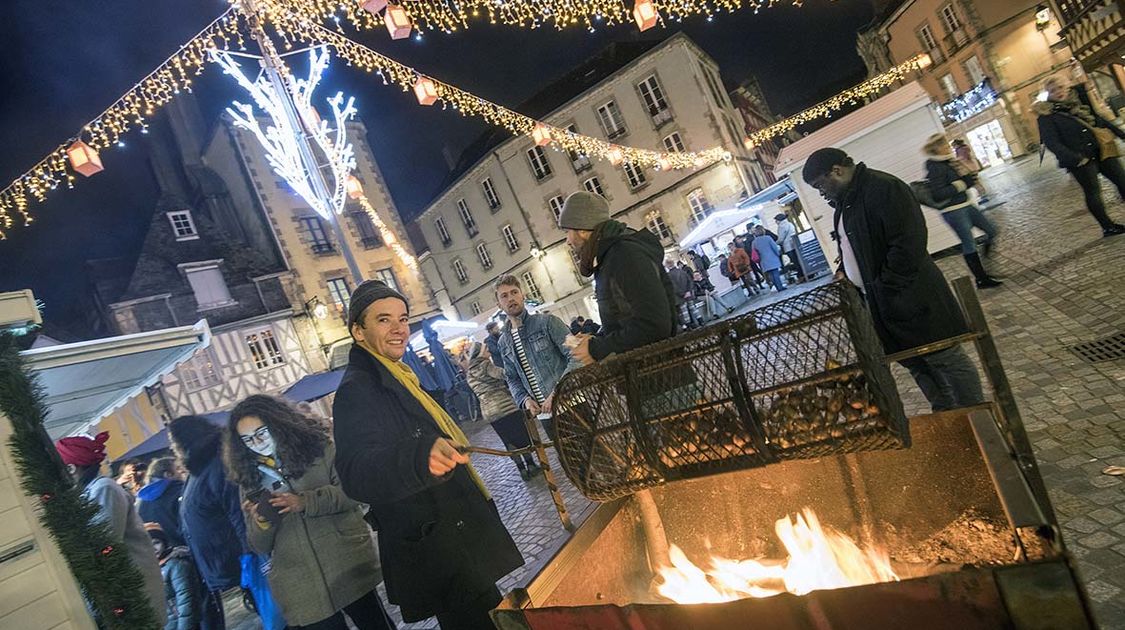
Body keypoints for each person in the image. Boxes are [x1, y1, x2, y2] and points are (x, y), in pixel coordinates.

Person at [332, 280, 524, 630]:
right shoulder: (358, 389)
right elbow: (354, 473)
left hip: (453, 531)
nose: (398, 329)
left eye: (403, 319)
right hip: (435, 541)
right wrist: (418, 457)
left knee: (492, 617)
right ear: (358, 331)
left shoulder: (400, 375)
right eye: (383, 320)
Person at [802, 147, 985, 411]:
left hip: (912, 296)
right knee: (916, 363)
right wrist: (844, 270)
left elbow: (908, 242)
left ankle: (978, 415)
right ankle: (948, 415)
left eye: (820, 185)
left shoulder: (884, 188)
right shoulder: (846, 202)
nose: (821, 193)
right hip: (883, 303)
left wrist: (885, 285)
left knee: (945, 357)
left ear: (837, 171)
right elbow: (852, 243)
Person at [222, 395, 394, 630]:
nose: (257, 443)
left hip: (346, 562)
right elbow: (259, 545)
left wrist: (305, 502)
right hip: (300, 584)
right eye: (248, 440)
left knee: (375, 623)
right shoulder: (249, 479)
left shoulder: (319, 448)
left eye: (261, 433)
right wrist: (261, 522)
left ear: (277, 423)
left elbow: (354, 492)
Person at [55, 432, 166, 621]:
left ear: (71, 468)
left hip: (132, 591)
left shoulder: (103, 488)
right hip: (125, 591)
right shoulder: (93, 490)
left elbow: (104, 539)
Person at [557, 191, 677, 365]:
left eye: (568, 231)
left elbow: (654, 324)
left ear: (582, 229)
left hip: (660, 376)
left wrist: (597, 349)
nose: (568, 240)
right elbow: (625, 318)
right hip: (643, 375)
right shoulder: (609, 256)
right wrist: (595, 339)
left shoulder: (624, 254)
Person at [169, 415, 253, 630]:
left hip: (238, 572)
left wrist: (250, 563)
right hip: (225, 573)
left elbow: (239, 515)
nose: (172, 448)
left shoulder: (217, 465)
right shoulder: (200, 468)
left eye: (173, 442)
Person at [1036, 76, 1125, 237]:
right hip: (1080, 159)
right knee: (1093, 192)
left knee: (1122, 180)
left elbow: (1099, 120)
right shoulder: (1046, 115)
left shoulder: (1078, 102)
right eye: (1053, 90)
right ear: (1047, 94)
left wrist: (1121, 134)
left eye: (1060, 87)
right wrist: (1075, 158)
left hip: (1100, 150)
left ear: (1066, 87)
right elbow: (1052, 143)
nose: (1058, 92)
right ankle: (1107, 226)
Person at [494, 274, 581, 435]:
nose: (511, 298)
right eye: (504, 296)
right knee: (568, 459)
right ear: (499, 304)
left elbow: (577, 354)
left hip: (572, 404)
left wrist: (557, 392)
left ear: (523, 295)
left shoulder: (548, 322)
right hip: (545, 415)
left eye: (514, 292)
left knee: (597, 456)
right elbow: (512, 378)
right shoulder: (503, 342)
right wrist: (525, 400)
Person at [922, 133, 1003, 288]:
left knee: (991, 230)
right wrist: (960, 185)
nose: (948, 147)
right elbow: (938, 194)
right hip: (953, 211)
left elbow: (963, 180)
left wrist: (967, 180)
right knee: (969, 243)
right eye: (944, 145)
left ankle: (986, 264)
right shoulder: (934, 166)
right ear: (937, 148)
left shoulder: (949, 162)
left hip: (965, 205)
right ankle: (981, 279)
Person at [464, 341, 541, 480]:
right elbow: (504, 374)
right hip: (505, 406)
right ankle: (531, 465)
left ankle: (521, 469)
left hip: (489, 411)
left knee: (508, 440)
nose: (488, 352)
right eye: (486, 350)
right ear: (480, 352)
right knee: (520, 437)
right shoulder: (486, 365)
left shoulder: (469, 373)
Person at [146, 522, 201, 630]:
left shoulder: (175, 565)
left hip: (182, 624)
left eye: (156, 543)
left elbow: (185, 599)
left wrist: (184, 626)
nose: (154, 548)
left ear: (164, 543)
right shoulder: (151, 569)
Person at [138, 457, 188, 547]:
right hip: (185, 550)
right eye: (178, 468)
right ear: (168, 474)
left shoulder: (141, 501)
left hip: (161, 552)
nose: (182, 471)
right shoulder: (180, 491)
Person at [666, 259, 700, 330]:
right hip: (688, 294)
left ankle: (688, 325)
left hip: (680, 297)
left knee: (684, 311)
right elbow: (690, 281)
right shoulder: (682, 271)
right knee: (693, 308)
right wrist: (688, 291)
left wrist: (682, 294)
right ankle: (700, 321)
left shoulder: (669, 275)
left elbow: (673, 287)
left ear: (668, 266)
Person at [951, 138, 989, 203]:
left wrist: (956, 160)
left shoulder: (961, 149)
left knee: (975, 183)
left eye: (954, 146)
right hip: (972, 167)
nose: (954, 148)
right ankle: (983, 195)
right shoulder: (964, 147)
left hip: (968, 168)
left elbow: (962, 158)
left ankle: (983, 196)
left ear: (956, 144)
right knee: (976, 182)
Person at [751, 225, 787, 292]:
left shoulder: (754, 242)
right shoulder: (768, 238)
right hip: (772, 258)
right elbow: (774, 247)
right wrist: (778, 254)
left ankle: (776, 286)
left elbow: (754, 252)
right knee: (775, 273)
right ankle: (780, 287)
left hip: (763, 260)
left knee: (770, 274)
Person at [774, 213, 802, 282]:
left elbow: (781, 239)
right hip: (795, 244)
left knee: (795, 262)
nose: (775, 222)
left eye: (776, 220)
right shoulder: (790, 224)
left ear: (779, 220)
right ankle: (804, 273)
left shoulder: (781, 226)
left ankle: (801, 275)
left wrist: (775, 243)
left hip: (788, 246)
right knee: (799, 260)